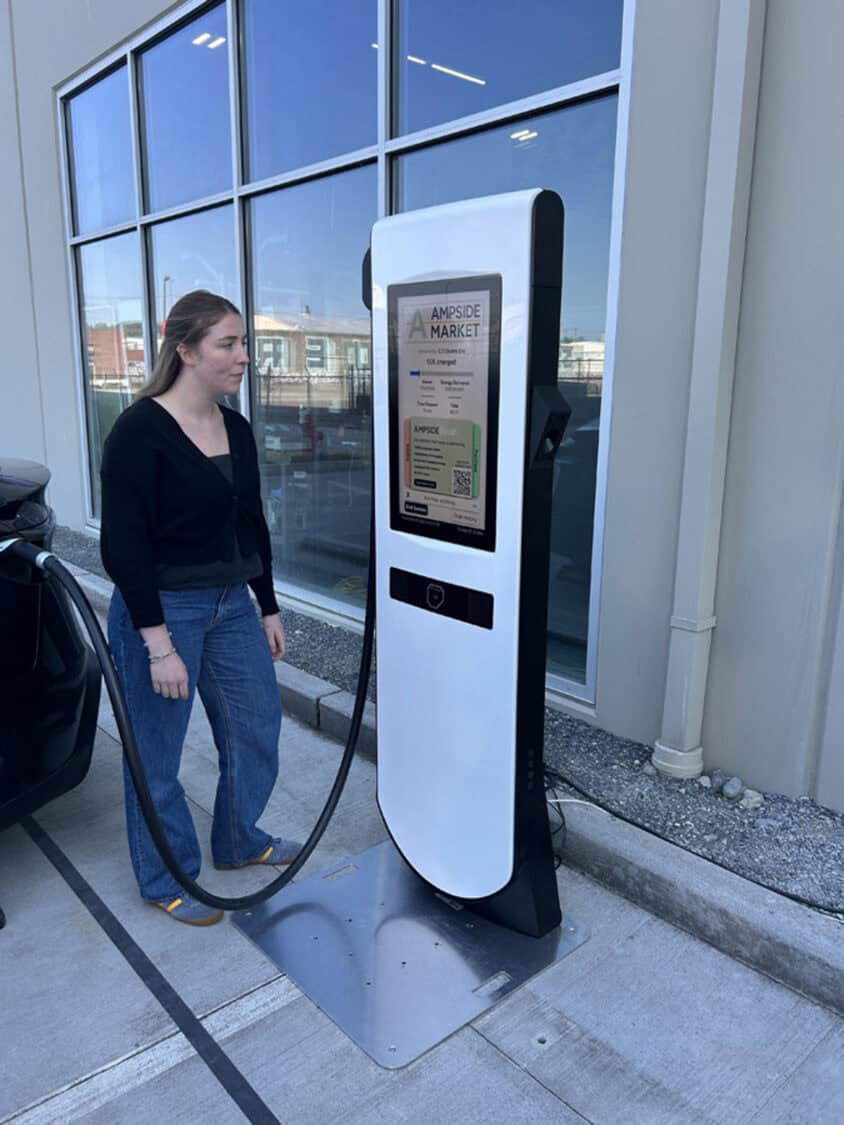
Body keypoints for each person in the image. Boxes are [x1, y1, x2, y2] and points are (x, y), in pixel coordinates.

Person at [100, 289, 301, 927]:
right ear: (185, 351)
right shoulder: (138, 432)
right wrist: (157, 642)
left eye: (245, 343)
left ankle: (239, 841)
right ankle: (166, 877)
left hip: (231, 607)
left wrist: (266, 605)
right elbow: (123, 547)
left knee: (255, 728)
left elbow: (251, 524)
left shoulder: (234, 426)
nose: (244, 357)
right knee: (157, 758)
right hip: (162, 612)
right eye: (229, 344)